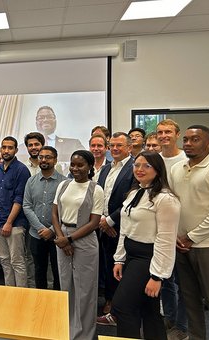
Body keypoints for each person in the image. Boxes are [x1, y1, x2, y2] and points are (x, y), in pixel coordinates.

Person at [111, 151, 180, 339]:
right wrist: (119, 259)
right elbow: (125, 228)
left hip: (148, 258)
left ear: (158, 170)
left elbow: (166, 240)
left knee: (122, 306)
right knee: (148, 309)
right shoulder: (136, 192)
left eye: (146, 166)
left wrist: (158, 276)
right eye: (137, 165)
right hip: (132, 255)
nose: (139, 169)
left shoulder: (166, 199)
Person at [51, 150, 104, 340]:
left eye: (80, 165)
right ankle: (68, 330)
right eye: (73, 164)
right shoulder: (64, 185)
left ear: (90, 167)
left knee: (85, 290)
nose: (75, 168)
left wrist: (70, 240)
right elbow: (55, 213)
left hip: (84, 239)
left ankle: (84, 335)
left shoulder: (95, 189)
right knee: (67, 286)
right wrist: (60, 237)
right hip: (62, 237)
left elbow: (94, 222)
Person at [170, 125, 209, 340]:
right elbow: (171, 204)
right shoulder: (177, 169)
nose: (188, 143)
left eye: (195, 140)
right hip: (180, 246)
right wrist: (177, 237)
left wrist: (191, 237)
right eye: (186, 139)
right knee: (190, 300)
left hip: (207, 246)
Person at [97, 132, 135, 324]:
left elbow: (133, 199)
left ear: (129, 147)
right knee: (107, 267)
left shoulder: (135, 167)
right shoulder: (105, 169)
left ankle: (121, 307)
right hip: (103, 227)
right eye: (112, 145)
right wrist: (103, 221)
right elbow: (100, 196)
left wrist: (110, 221)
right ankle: (111, 301)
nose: (115, 149)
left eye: (119, 145)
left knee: (122, 269)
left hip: (123, 227)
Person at [156, 118, 188, 338]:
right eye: (160, 132)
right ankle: (170, 321)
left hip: (183, 232)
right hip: (158, 230)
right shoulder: (154, 160)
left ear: (177, 135)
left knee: (184, 283)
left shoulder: (186, 159)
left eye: (168, 132)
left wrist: (182, 231)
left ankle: (182, 327)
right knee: (165, 279)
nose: (164, 135)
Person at [0, 136, 31, 287]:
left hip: (14, 224)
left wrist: (9, 223)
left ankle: (21, 297)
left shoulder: (21, 170)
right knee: (5, 262)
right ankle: (9, 293)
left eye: (10, 148)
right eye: (4, 147)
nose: (6, 151)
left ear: (16, 150)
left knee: (17, 262)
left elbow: (19, 199)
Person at [23, 146, 65, 290]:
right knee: (39, 270)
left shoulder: (64, 183)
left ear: (55, 160)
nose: (44, 160)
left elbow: (65, 210)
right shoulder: (31, 181)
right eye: (41, 157)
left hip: (57, 235)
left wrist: (52, 230)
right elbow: (27, 206)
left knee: (57, 271)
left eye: (48, 157)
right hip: (36, 234)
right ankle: (40, 303)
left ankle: (58, 303)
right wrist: (41, 228)